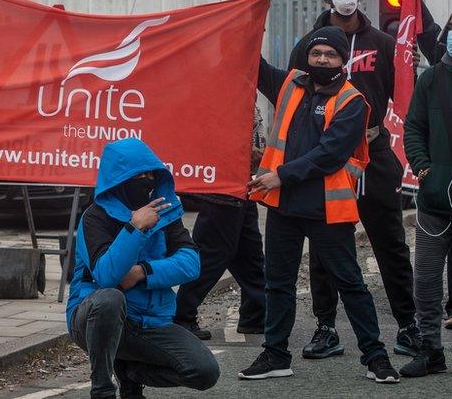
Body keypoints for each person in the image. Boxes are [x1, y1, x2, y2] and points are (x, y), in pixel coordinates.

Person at [242, 27, 400, 384]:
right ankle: (276, 354)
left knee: (351, 284)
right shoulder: (291, 84)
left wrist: (280, 174)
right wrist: (247, 27)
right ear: (307, 58)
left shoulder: (352, 101)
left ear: (343, 60)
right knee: (277, 283)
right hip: (284, 207)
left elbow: (329, 154)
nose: (322, 60)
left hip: (326, 209)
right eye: (317, 54)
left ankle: (376, 357)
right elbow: (254, 65)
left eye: (330, 55)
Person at [286, 0, 420, 360]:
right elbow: (294, 93)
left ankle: (409, 326)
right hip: (327, 158)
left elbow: (402, 92)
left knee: (390, 244)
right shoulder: (310, 44)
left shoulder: (380, 41)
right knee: (326, 248)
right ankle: (326, 328)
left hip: (373, 155)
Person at [67, 138, 220, 397]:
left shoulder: (164, 212)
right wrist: (135, 228)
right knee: (110, 299)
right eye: (139, 175)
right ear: (118, 178)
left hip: (150, 322)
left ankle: (131, 373)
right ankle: (102, 390)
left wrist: (142, 272)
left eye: (151, 174)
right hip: (93, 319)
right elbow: (107, 276)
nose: (147, 180)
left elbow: (191, 263)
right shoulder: (95, 217)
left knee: (205, 371)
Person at [401, 2, 452, 378]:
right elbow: (413, 128)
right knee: (427, 279)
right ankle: (430, 350)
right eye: (451, 26)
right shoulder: (431, 78)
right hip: (435, 199)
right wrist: (424, 168)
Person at [174, 108, 266, 339]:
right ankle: (181, 316)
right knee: (211, 256)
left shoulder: (244, 88)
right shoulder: (219, 93)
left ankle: (255, 315)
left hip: (242, 185)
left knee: (249, 254)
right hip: (222, 187)